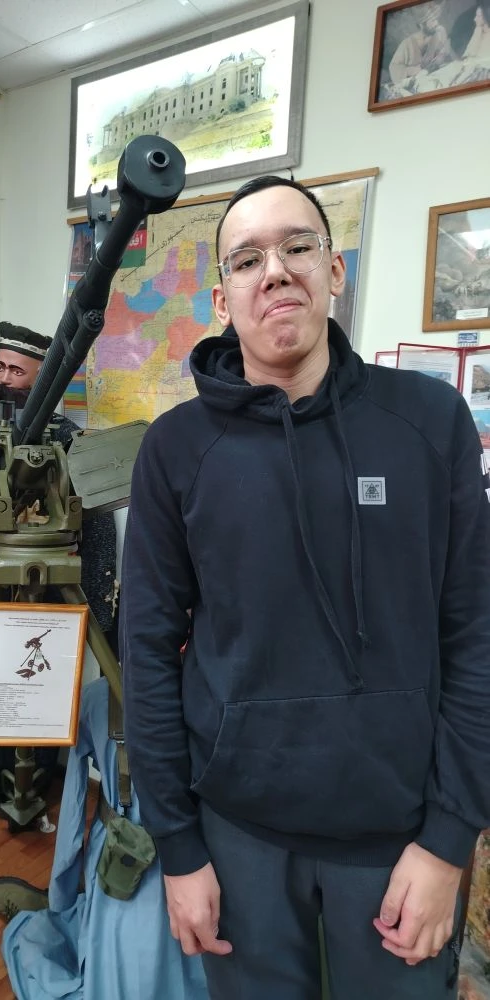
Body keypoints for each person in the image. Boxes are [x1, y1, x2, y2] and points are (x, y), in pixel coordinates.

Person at [120, 175, 490, 999]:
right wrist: (177, 846)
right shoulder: (176, 450)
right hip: (237, 837)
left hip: (399, 841)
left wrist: (450, 837)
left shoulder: (429, 423)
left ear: (335, 270)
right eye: (247, 259)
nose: (276, 271)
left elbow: (474, 633)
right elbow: (146, 651)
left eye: (297, 246)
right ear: (223, 299)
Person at [0, 322, 118, 822]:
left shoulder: (67, 440)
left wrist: (99, 610)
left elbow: (96, 526)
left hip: (50, 580)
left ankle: (38, 779)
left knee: (43, 678)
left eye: (17, 371)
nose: (4, 379)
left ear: (40, 381)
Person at [388, 3, 454, 84]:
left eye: (436, 20)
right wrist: (418, 70)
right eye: (433, 20)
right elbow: (394, 69)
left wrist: (441, 57)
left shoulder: (439, 34)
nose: (436, 23)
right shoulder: (407, 44)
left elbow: (446, 54)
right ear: (421, 24)